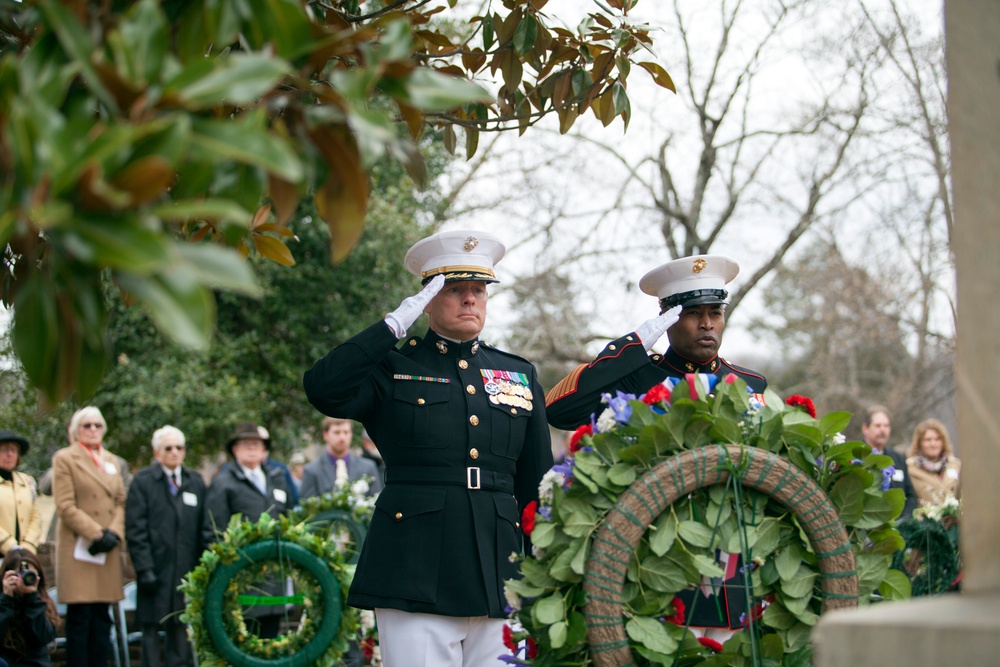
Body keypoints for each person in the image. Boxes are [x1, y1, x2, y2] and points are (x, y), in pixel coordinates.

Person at [303, 229, 553, 667]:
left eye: (478, 289)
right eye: (455, 289)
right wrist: (391, 327)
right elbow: (324, 389)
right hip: (413, 565)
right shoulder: (395, 367)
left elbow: (536, 482)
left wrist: (543, 570)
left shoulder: (517, 373)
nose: (470, 299)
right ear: (429, 297)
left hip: (501, 568)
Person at [545, 255, 768, 430]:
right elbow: (560, 413)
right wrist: (632, 346)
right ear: (667, 319)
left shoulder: (750, 384)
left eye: (715, 313)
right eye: (693, 313)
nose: (707, 324)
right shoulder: (635, 381)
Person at [126, 426, 207, 667]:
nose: (174, 452)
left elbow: (203, 526)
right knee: (151, 629)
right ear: (156, 452)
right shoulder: (143, 481)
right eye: (168, 448)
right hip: (155, 569)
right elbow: (135, 529)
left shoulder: (195, 482)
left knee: (180, 627)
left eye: (179, 448)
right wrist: (144, 568)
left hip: (185, 570)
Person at [203, 422, 293, 638]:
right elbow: (213, 531)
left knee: (272, 638)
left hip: (275, 574)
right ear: (235, 450)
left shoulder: (277, 478)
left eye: (257, 444)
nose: (252, 448)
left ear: (264, 450)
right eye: (246, 444)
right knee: (245, 639)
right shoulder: (223, 484)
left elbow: (290, 518)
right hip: (242, 576)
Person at [51, 406, 125, 667]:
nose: (93, 429)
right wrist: (96, 533)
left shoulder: (112, 461)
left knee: (102, 618)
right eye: (87, 425)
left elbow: (120, 501)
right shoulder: (65, 458)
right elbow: (65, 505)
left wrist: (114, 533)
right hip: (79, 548)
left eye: (98, 425)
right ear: (75, 431)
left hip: (107, 549)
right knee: (80, 618)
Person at [0, 548, 59, 667]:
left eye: (31, 575)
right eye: (19, 575)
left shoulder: (41, 603)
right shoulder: (3, 601)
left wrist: (32, 599)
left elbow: (43, 637)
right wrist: (6, 599)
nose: (25, 580)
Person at [299, 418, 382, 500]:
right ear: (325, 435)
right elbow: (308, 507)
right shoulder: (312, 470)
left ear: (351, 434)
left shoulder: (368, 467)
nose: (342, 437)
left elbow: (376, 502)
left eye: (346, 432)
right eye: (337, 432)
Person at [860, 405, 918, 519]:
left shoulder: (898, 458)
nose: (883, 430)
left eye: (886, 426)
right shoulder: (855, 456)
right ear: (865, 428)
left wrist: (903, 520)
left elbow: (911, 496)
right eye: (878, 426)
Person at [0, 431, 42, 557]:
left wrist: (28, 546)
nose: (10, 454)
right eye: (4, 450)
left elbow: (35, 516)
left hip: (23, 556)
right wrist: (9, 546)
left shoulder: (27, 482)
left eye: (14, 450)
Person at [905, 418, 961, 507]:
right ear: (919, 443)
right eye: (928, 440)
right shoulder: (909, 468)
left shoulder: (955, 465)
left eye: (937, 439)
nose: (933, 444)